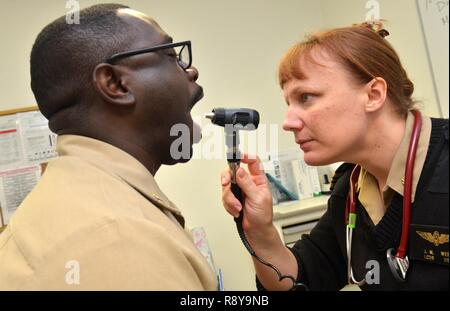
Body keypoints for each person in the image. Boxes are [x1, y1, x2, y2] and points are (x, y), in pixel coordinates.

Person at [0, 4, 217, 290]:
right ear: (115, 84)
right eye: (170, 56)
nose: (192, 71)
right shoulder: (116, 237)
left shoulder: (85, 202)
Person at [221, 22, 448, 290]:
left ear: (373, 95)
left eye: (306, 97)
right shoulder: (350, 190)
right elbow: (300, 277)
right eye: (288, 103)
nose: (288, 121)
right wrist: (260, 231)